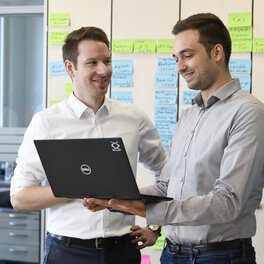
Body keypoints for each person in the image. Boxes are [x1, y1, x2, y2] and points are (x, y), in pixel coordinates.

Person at [83, 13, 264, 264]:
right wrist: (115, 196)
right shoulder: (189, 115)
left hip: (220, 256)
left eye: (188, 55)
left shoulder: (248, 112)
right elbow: (167, 187)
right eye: (176, 58)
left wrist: (144, 209)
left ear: (217, 52)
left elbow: (228, 202)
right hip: (172, 253)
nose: (180, 67)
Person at [10, 26, 168, 264]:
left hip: (123, 250)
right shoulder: (46, 123)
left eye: (107, 61)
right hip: (67, 252)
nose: (103, 70)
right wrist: (76, 187)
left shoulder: (133, 118)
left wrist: (155, 227)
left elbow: (169, 174)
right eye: (92, 63)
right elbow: (20, 197)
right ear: (70, 68)